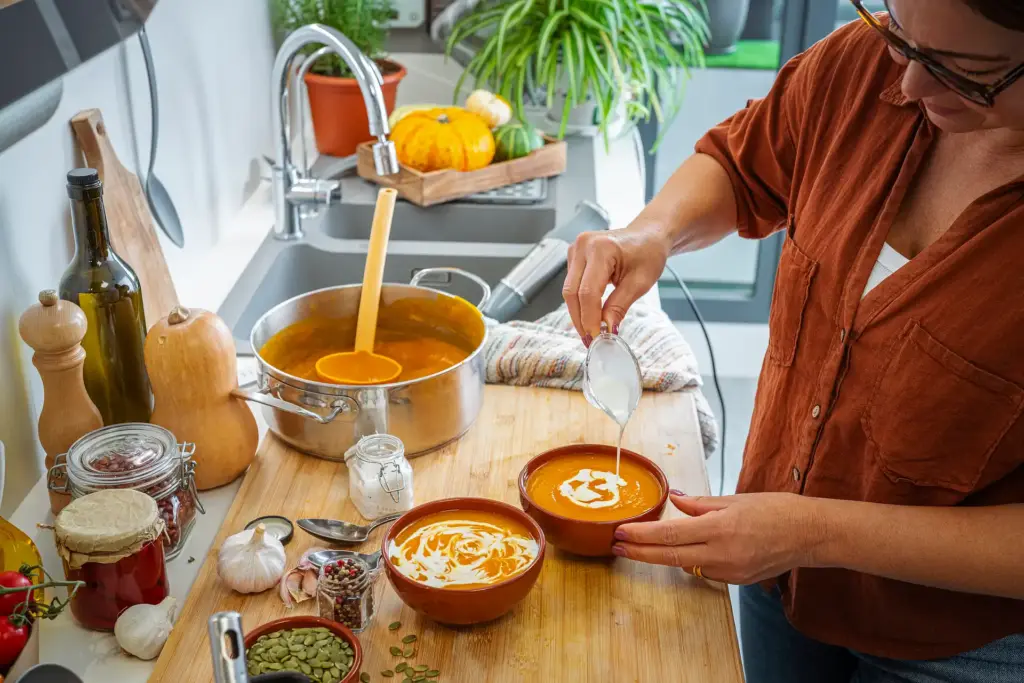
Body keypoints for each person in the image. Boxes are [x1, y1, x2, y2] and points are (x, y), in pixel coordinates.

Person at [561, 1, 1024, 681]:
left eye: (968, 70)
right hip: (775, 576)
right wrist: (651, 232)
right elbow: (741, 164)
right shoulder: (859, 64)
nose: (909, 85)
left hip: (953, 645)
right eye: (901, 37)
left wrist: (811, 531)